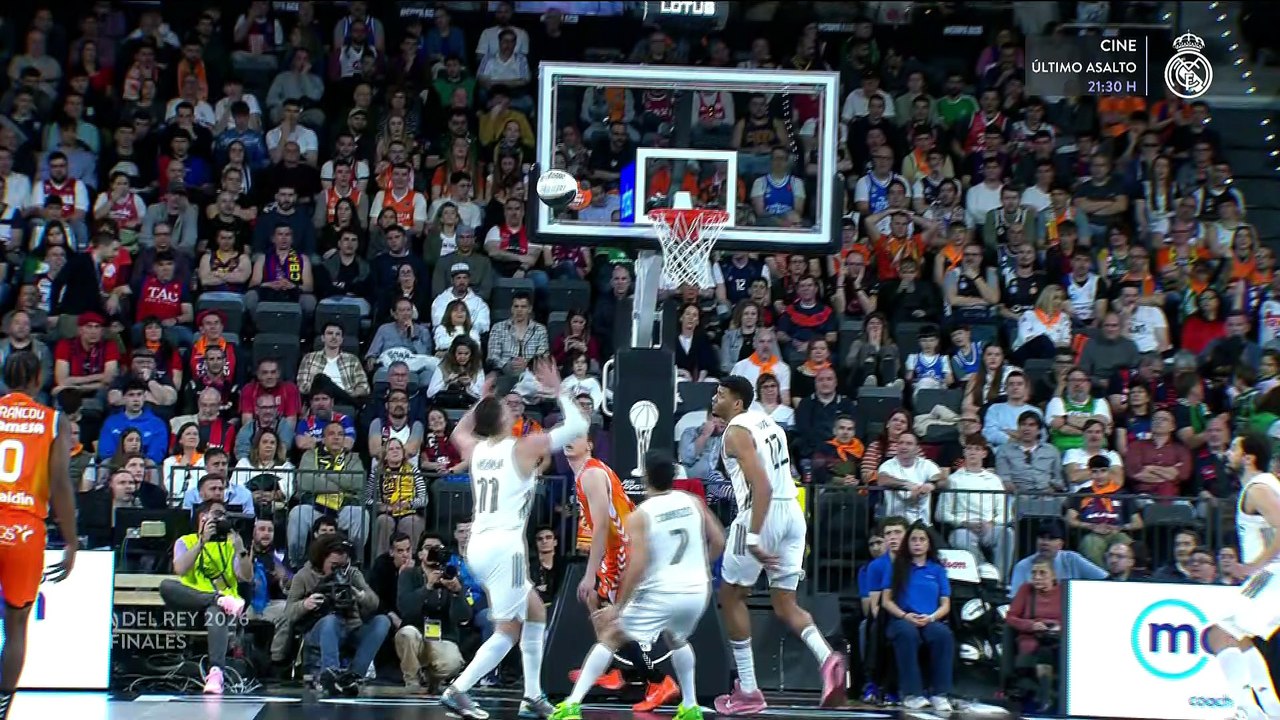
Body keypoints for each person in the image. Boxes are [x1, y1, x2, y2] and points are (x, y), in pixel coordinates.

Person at [440, 357, 590, 720]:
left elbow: (457, 433)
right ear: (504, 421)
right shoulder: (522, 448)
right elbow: (578, 425)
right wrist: (558, 390)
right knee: (508, 629)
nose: (511, 411)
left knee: (535, 609)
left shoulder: (476, 450)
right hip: (505, 548)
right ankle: (458, 689)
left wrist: (480, 400)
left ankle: (533, 696)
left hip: (479, 544)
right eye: (506, 409)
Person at [550, 451, 724, 720]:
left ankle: (572, 704)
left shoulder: (642, 514)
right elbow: (719, 541)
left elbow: (637, 565)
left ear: (646, 479)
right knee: (677, 637)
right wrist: (699, 566)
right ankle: (689, 706)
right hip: (697, 590)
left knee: (610, 635)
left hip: (663, 591)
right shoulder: (692, 501)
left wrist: (620, 606)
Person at [711, 376, 846, 714]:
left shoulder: (736, 431)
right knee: (785, 602)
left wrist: (755, 537)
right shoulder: (769, 422)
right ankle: (828, 658)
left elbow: (762, 486)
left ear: (738, 403)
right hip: (793, 514)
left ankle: (749, 690)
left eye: (721, 394)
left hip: (762, 512)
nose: (714, 398)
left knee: (730, 597)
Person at [563, 435, 677, 711]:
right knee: (598, 606)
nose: (569, 440)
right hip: (619, 549)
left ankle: (658, 680)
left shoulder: (590, 473)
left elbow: (601, 526)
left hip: (622, 549)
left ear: (589, 444)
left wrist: (590, 574)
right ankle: (621, 670)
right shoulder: (589, 472)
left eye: (576, 436)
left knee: (613, 619)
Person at [0, 352, 78, 719]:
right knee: (16, 628)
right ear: (39, 379)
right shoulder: (53, 421)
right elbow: (61, 483)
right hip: (24, 529)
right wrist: (72, 541)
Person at [1204, 432, 1280, 720]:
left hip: (1273, 573)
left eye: (1234, 447)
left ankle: (1246, 711)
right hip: (1271, 573)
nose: (1228, 452)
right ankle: (1270, 709)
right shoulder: (1265, 486)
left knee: (1220, 633)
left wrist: (1252, 567)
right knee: (1239, 638)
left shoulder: (1258, 489)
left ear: (1248, 457)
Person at [159, 499, 252, 694]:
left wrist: (241, 550)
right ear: (203, 518)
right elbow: (180, 569)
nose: (223, 519)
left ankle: (216, 672)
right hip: (189, 607)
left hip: (220, 612)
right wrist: (202, 542)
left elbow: (245, 576)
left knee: (215, 611)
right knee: (166, 586)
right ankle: (217, 599)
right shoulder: (185, 541)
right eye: (218, 514)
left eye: (224, 515)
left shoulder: (230, 545)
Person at [285, 534, 391, 696]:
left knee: (383, 621)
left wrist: (360, 595)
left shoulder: (353, 574)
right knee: (330, 621)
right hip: (319, 630)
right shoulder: (304, 576)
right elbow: (289, 614)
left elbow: (374, 603)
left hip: (351, 628)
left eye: (343, 565)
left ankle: (353, 676)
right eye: (334, 566)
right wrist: (305, 604)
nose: (339, 570)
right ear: (322, 559)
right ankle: (331, 674)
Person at [881, 522, 955, 713]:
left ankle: (940, 694)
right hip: (902, 619)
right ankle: (912, 694)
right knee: (907, 634)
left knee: (943, 635)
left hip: (930, 619)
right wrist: (905, 616)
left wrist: (931, 618)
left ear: (929, 543)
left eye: (922, 539)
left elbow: (945, 604)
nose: (917, 543)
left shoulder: (937, 570)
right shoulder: (897, 567)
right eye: (913, 539)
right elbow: (886, 601)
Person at [395, 533, 470, 693]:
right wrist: (427, 587)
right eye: (428, 548)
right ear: (420, 553)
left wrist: (457, 593)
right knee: (406, 634)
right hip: (416, 635)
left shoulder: (452, 577)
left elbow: (463, 617)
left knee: (453, 663)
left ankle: (431, 679)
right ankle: (412, 680)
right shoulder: (409, 575)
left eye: (437, 549)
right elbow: (405, 609)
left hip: (442, 638)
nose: (432, 553)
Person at [1005, 555, 1063, 713]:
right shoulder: (1026, 590)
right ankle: (1045, 698)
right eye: (1034, 573)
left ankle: (1045, 697)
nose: (1037, 577)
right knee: (1040, 649)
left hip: (1058, 637)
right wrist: (1031, 625)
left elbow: (1074, 617)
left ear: (1053, 575)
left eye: (1042, 573)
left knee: (1048, 650)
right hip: (1031, 636)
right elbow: (1010, 617)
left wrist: (1059, 626)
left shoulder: (1064, 591)